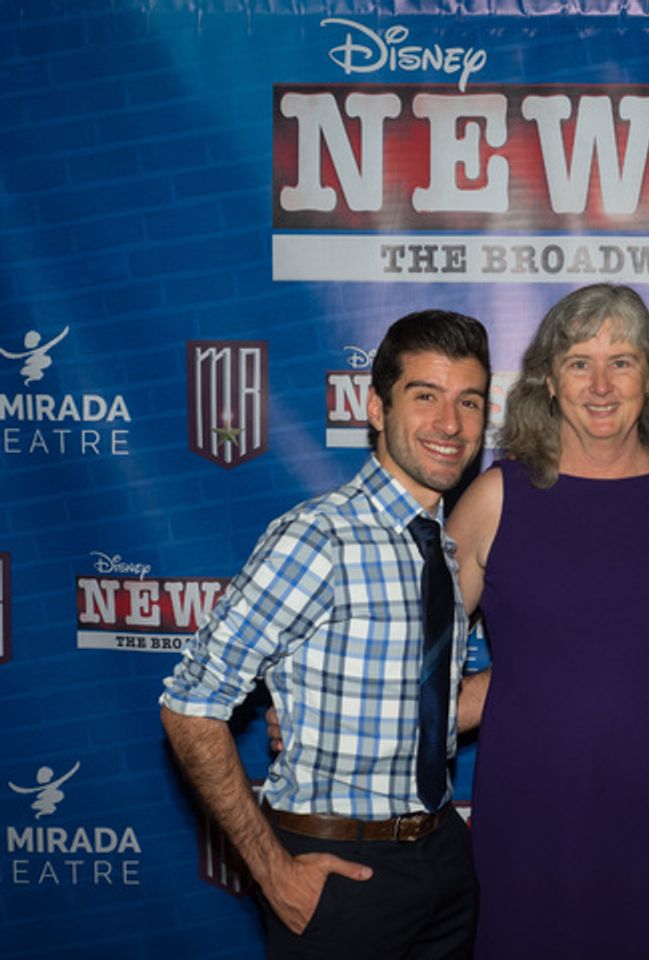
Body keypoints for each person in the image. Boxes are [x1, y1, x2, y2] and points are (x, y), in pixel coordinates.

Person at [160, 309, 490, 959]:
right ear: (375, 407)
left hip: (443, 858)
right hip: (338, 870)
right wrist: (273, 871)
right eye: (425, 396)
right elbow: (188, 707)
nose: (450, 424)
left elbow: (428, 709)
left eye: (469, 401)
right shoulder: (318, 538)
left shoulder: (441, 552)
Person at [449, 284, 649, 959]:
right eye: (579, 362)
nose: (601, 385)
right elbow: (404, 643)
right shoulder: (495, 495)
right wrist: (322, 712)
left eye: (622, 361)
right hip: (535, 796)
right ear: (547, 376)